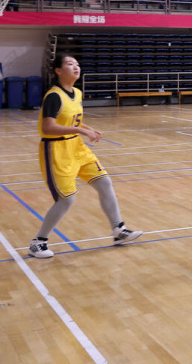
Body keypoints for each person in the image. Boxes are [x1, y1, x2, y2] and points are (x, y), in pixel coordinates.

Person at [28, 54, 143, 258]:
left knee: (104, 182)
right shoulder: (54, 96)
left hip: (77, 148)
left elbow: (73, 121)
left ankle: (119, 230)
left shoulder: (77, 93)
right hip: (56, 151)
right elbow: (48, 127)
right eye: (70, 64)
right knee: (66, 200)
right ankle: (38, 242)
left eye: (78, 64)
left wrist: (89, 129)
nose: (76, 67)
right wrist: (81, 131)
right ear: (58, 70)